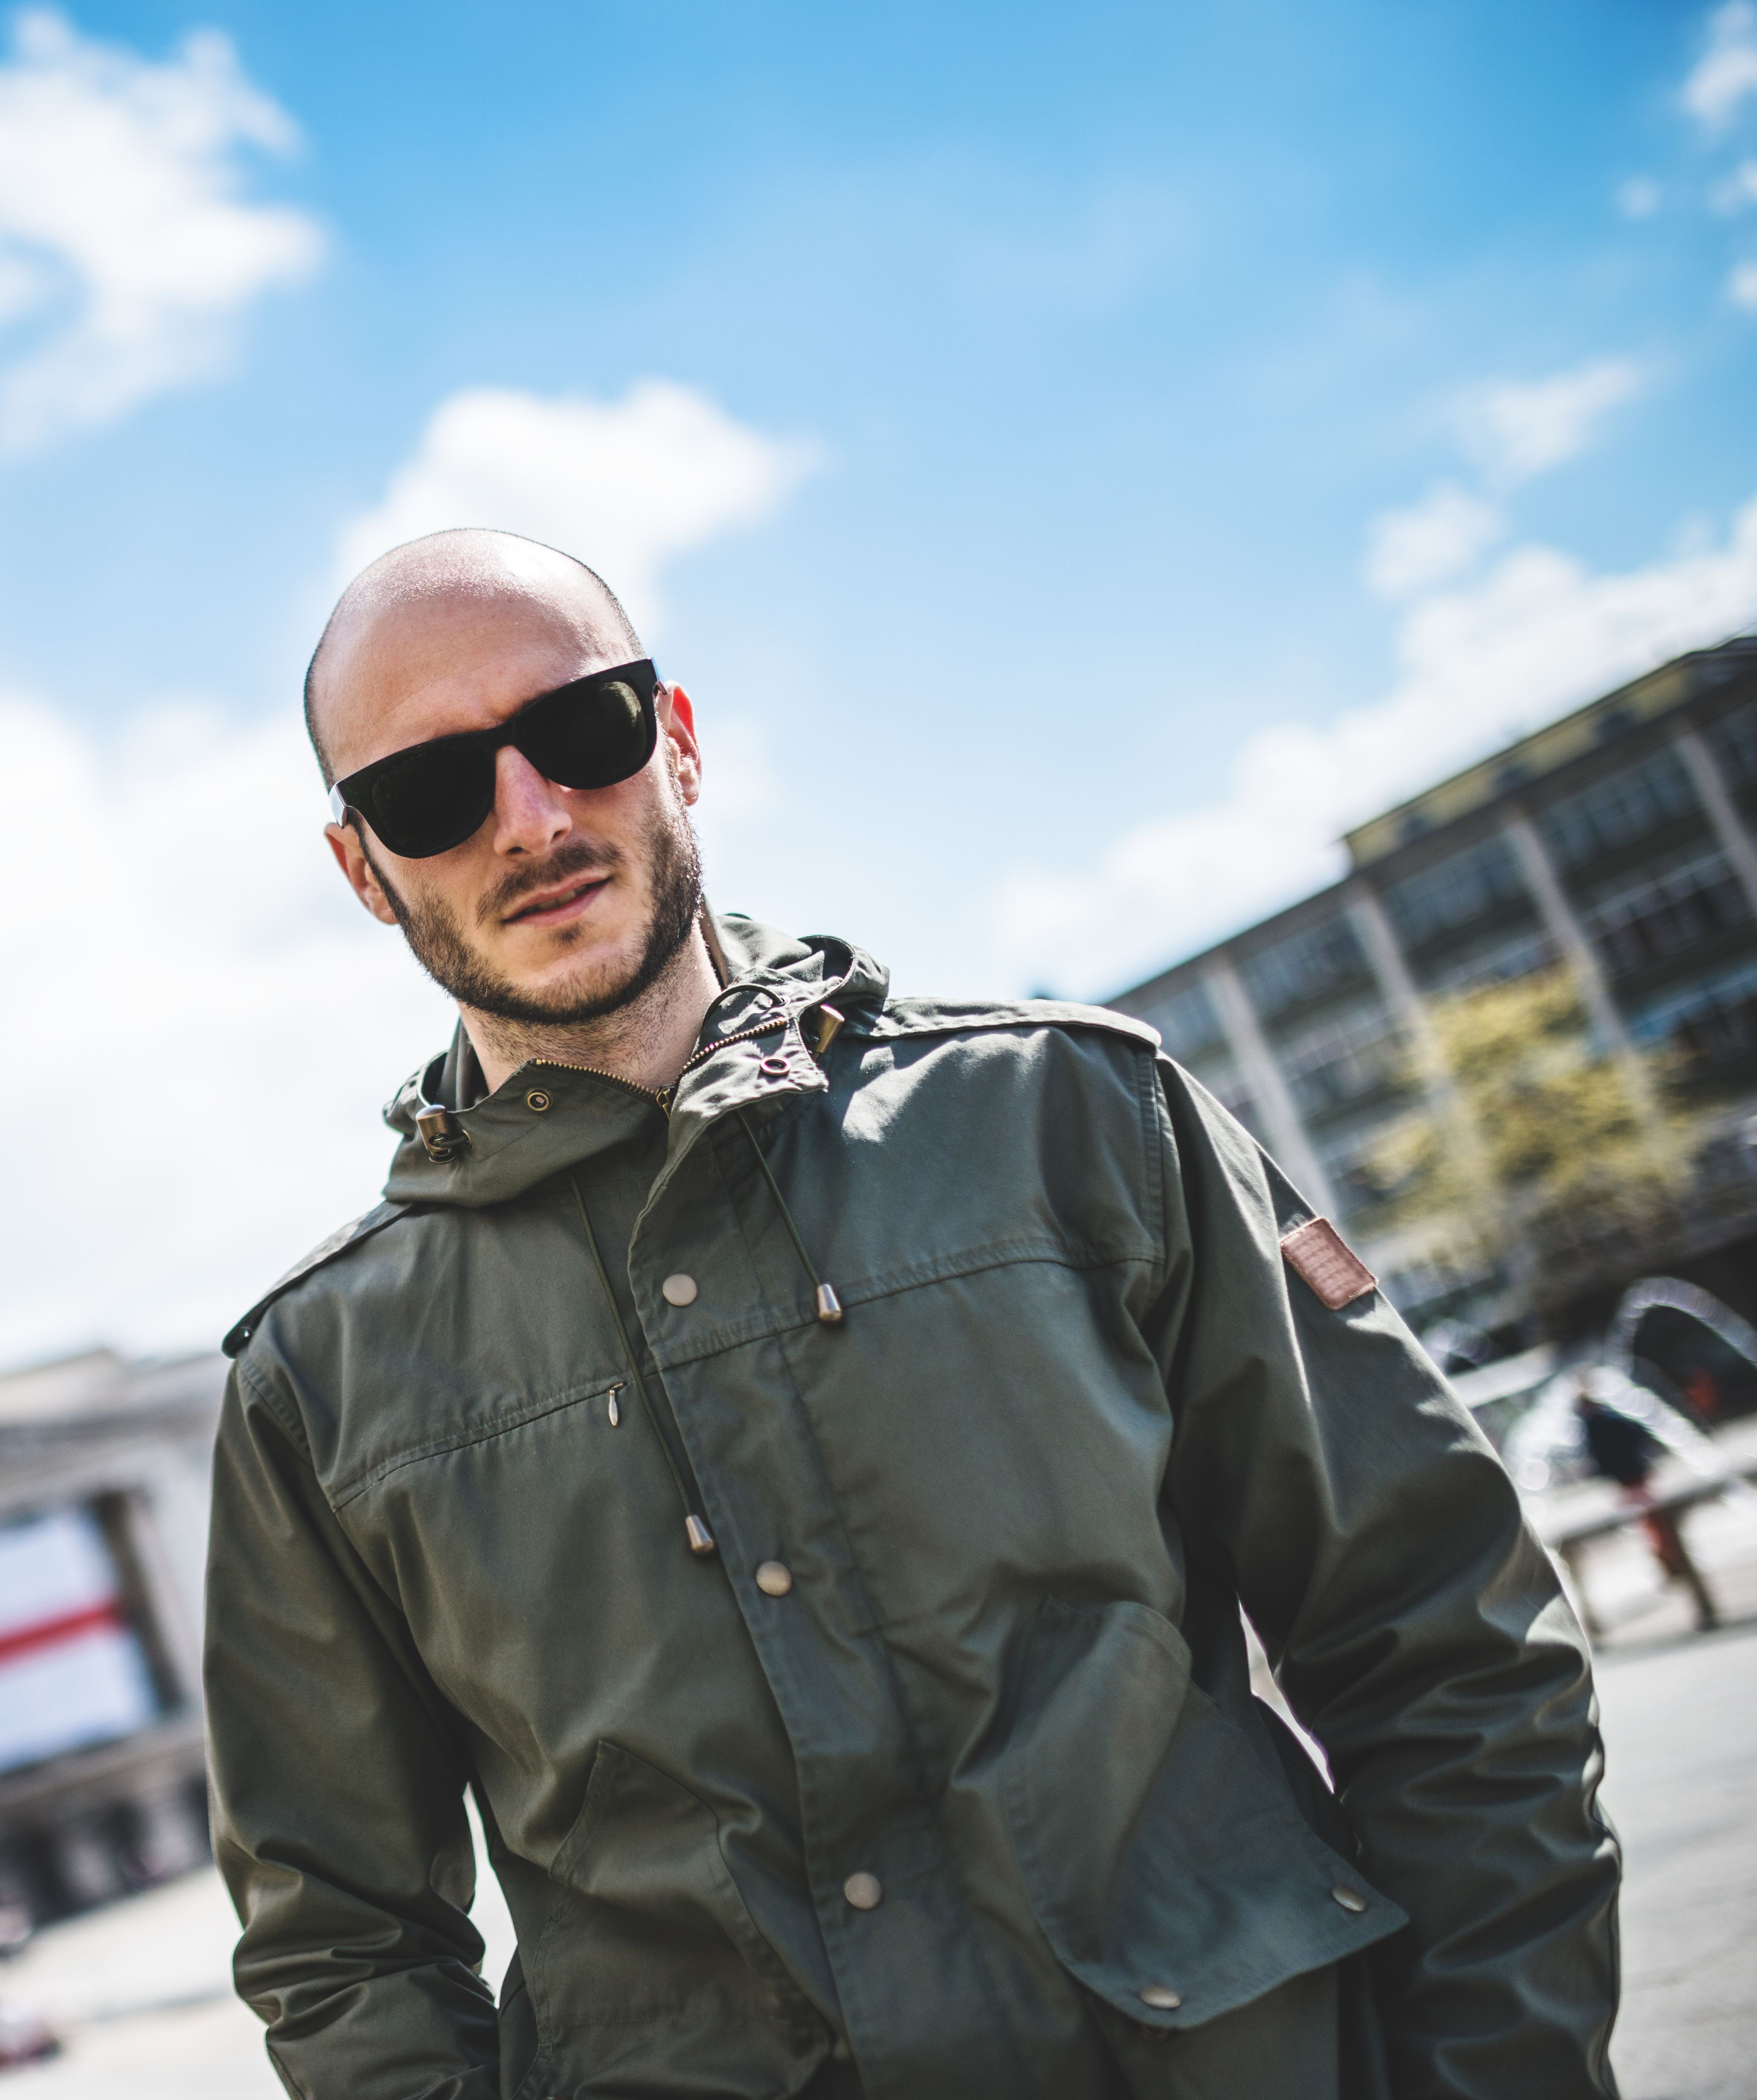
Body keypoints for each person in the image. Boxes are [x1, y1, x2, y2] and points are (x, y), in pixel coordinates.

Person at [203, 529, 1620, 2100]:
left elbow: (1442, 1643)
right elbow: (343, 1950)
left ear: (675, 740)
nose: (528, 817)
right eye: (429, 791)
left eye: (579, 730)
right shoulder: (314, 1388)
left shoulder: (1075, 1119)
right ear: (361, 868)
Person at [1571, 1367, 1720, 1632]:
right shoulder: (1606, 1417)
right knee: (1654, 1521)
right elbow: (1635, 1432)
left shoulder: (1596, 1423)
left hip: (1627, 1477)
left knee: (1652, 1522)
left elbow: (1600, 1453)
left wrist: (1606, 1470)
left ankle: (1671, 1562)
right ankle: (1671, 1561)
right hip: (1634, 1473)